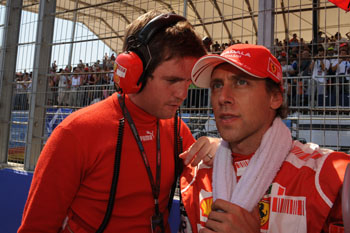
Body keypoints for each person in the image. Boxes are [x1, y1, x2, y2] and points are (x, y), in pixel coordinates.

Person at [18, 10, 219, 233]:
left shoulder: (177, 129)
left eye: (188, 82)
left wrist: (218, 148)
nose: (182, 93)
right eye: (172, 80)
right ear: (135, 72)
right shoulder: (74, 134)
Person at [180, 44, 350, 233]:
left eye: (241, 82)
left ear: (275, 98)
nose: (223, 97)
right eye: (217, 85)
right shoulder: (194, 176)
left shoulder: (330, 175)